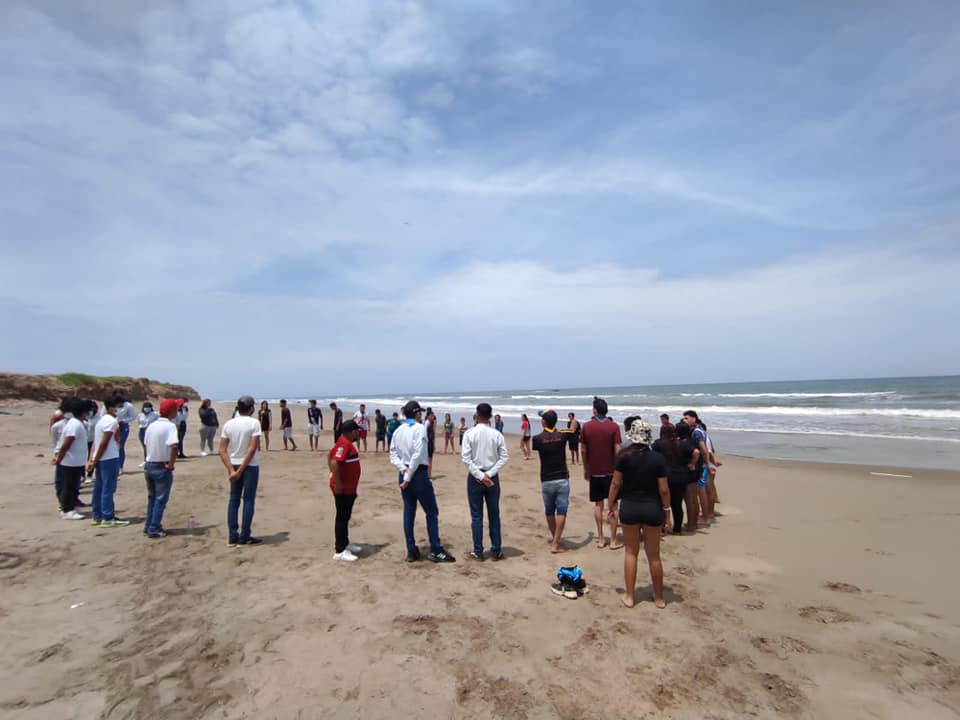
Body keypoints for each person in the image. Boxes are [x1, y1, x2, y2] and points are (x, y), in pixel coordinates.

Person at [609, 419, 670, 608]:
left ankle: (629, 596)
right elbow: (664, 489)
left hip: (630, 507)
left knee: (631, 552)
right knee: (654, 556)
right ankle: (659, 598)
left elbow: (616, 483)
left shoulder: (623, 457)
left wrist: (610, 504)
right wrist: (667, 511)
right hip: (652, 508)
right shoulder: (658, 459)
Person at [389, 400, 456, 563]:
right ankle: (435, 548)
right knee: (431, 511)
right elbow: (418, 454)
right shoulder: (419, 429)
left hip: (405, 470)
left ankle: (411, 549)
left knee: (409, 511)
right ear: (417, 413)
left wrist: (402, 468)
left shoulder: (398, 430)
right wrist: (408, 475)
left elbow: (393, 454)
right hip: (417, 473)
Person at [461, 402, 509, 560]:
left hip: (477, 476)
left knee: (477, 516)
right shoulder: (496, 434)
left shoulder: (470, 433)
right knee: (494, 514)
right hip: (490, 476)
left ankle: (478, 551)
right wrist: (488, 475)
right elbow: (504, 458)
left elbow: (466, 459)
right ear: (490, 416)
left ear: (477, 415)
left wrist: (482, 475)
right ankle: (496, 550)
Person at [218, 395, 263, 547]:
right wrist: (239, 470)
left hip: (234, 463)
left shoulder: (229, 424)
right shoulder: (254, 423)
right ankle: (244, 535)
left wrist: (232, 470)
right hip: (249, 465)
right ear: (251, 408)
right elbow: (252, 448)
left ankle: (233, 535)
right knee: (248, 500)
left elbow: (222, 450)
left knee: (234, 500)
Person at [580, 397, 622, 549]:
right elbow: (618, 449)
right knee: (614, 505)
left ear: (595, 411)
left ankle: (601, 538)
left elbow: (583, 449)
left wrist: (586, 468)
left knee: (598, 504)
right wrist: (619, 468)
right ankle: (613, 539)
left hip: (595, 471)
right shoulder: (614, 426)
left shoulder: (587, 427)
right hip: (611, 472)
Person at [85, 395, 130, 527]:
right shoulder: (111, 422)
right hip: (109, 458)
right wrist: (94, 460)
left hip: (102, 458)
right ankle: (108, 516)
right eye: (119, 407)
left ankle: (97, 515)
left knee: (99, 487)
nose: (120, 410)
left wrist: (93, 459)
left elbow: (96, 443)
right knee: (108, 488)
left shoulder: (101, 421)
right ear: (111, 407)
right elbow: (103, 443)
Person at [532, 409, 571, 553]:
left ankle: (555, 540)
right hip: (561, 477)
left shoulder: (537, 439)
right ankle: (556, 541)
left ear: (543, 422)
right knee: (562, 511)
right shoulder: (562, 436)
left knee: (549, 511)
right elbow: (572, 428)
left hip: (547, 478)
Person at [143, 398, 182, 538]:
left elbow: (146, 443)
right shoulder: (170, 426)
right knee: (160, 499)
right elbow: (174, 446)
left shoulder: (152, 425)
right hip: (161, 465)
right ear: (171, 411)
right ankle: (154, 528)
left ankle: (149, 525)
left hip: (150, 463)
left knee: (152, 497)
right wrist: (171, 464)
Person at [329, 419, 363, 561]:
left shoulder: (344, 443)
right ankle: (340, 550)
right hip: (343, 489)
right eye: (356, 431)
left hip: (349, 488)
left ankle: (345, 542)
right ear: (351, 432)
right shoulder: (344, 444)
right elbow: (334, 462)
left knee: (345, 516)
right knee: (342, 517)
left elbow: (330, 455)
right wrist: (337, 482)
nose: (358, 433)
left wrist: (332, 474)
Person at [51, 397, 89, 520]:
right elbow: (67, 443)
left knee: (73, 486)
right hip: (70, 462)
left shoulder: (76, 423)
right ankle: (67, 510)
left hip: (76, 461)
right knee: (68, 486)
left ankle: (69, 506)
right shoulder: (75, 425)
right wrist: (59, 458)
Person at [652, 421, 690, 534]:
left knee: (662, 502)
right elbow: (696, 452)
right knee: (677, 504)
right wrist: (691, 464)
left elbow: (652, 454)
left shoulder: (658, 443)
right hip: (680, 475)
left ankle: (662, 526)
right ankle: (677, 529)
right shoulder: (681, 443)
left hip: (664, 476)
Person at [683, 411, 713, 524]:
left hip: (701, 465)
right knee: (704, 489)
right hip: (702, 464)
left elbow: (704, 450)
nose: (684, 420)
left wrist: (708, 464)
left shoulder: (696, 432)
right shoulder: (700, 430)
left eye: (686, 418)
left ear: (694, 418)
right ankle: (707, 514)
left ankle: (705, 516)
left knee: (701, 491)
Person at [115, 396, 136, 472]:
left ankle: (120, 466)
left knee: (120, 446)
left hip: (123, 426)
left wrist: (123, 420)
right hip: (113, 425)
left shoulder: (129, 406)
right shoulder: (110, 404)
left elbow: (132, 417)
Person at [136, 402, 158, 467]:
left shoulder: (155, 414)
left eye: (148, 407)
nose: (147, 409)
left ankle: (150, 460)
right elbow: (138, 422)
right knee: (145, 446)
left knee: (150, 446)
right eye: (146, 407)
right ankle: (146, 460)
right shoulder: (140, 415)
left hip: (151, 430)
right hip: (142, 430)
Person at [425, 409, 436, 477]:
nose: (432, 417)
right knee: (428, 459)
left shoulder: (432, 423)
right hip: (428, 443)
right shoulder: (427, 423)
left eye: (433, 416)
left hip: (431, 442)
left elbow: (433, 434)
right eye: (431, 416)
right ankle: (428, 474)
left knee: (430, 459)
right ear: (428, 416)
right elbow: (424, 434)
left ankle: (429, 474)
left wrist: (434, 444)